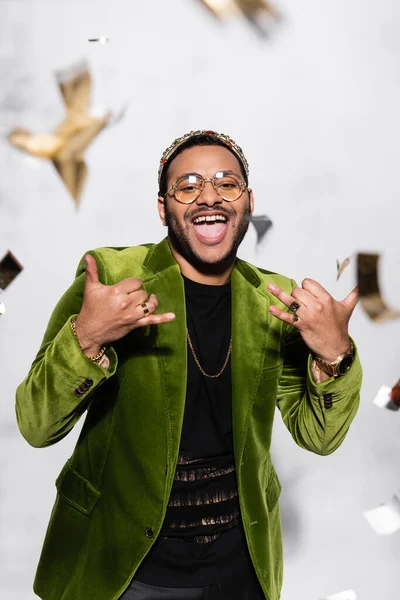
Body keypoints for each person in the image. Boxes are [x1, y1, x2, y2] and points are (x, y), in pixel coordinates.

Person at [16, 130, 362, 600]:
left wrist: (333, 355)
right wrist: (88, 337)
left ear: (248, 200)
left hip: (240, 570)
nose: (209, 196)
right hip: (123, 570)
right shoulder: (113, 279)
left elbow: (318, 437)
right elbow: (37, 426)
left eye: (226, 182)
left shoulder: (274, 300)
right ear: (163, 207)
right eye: (188, 185)